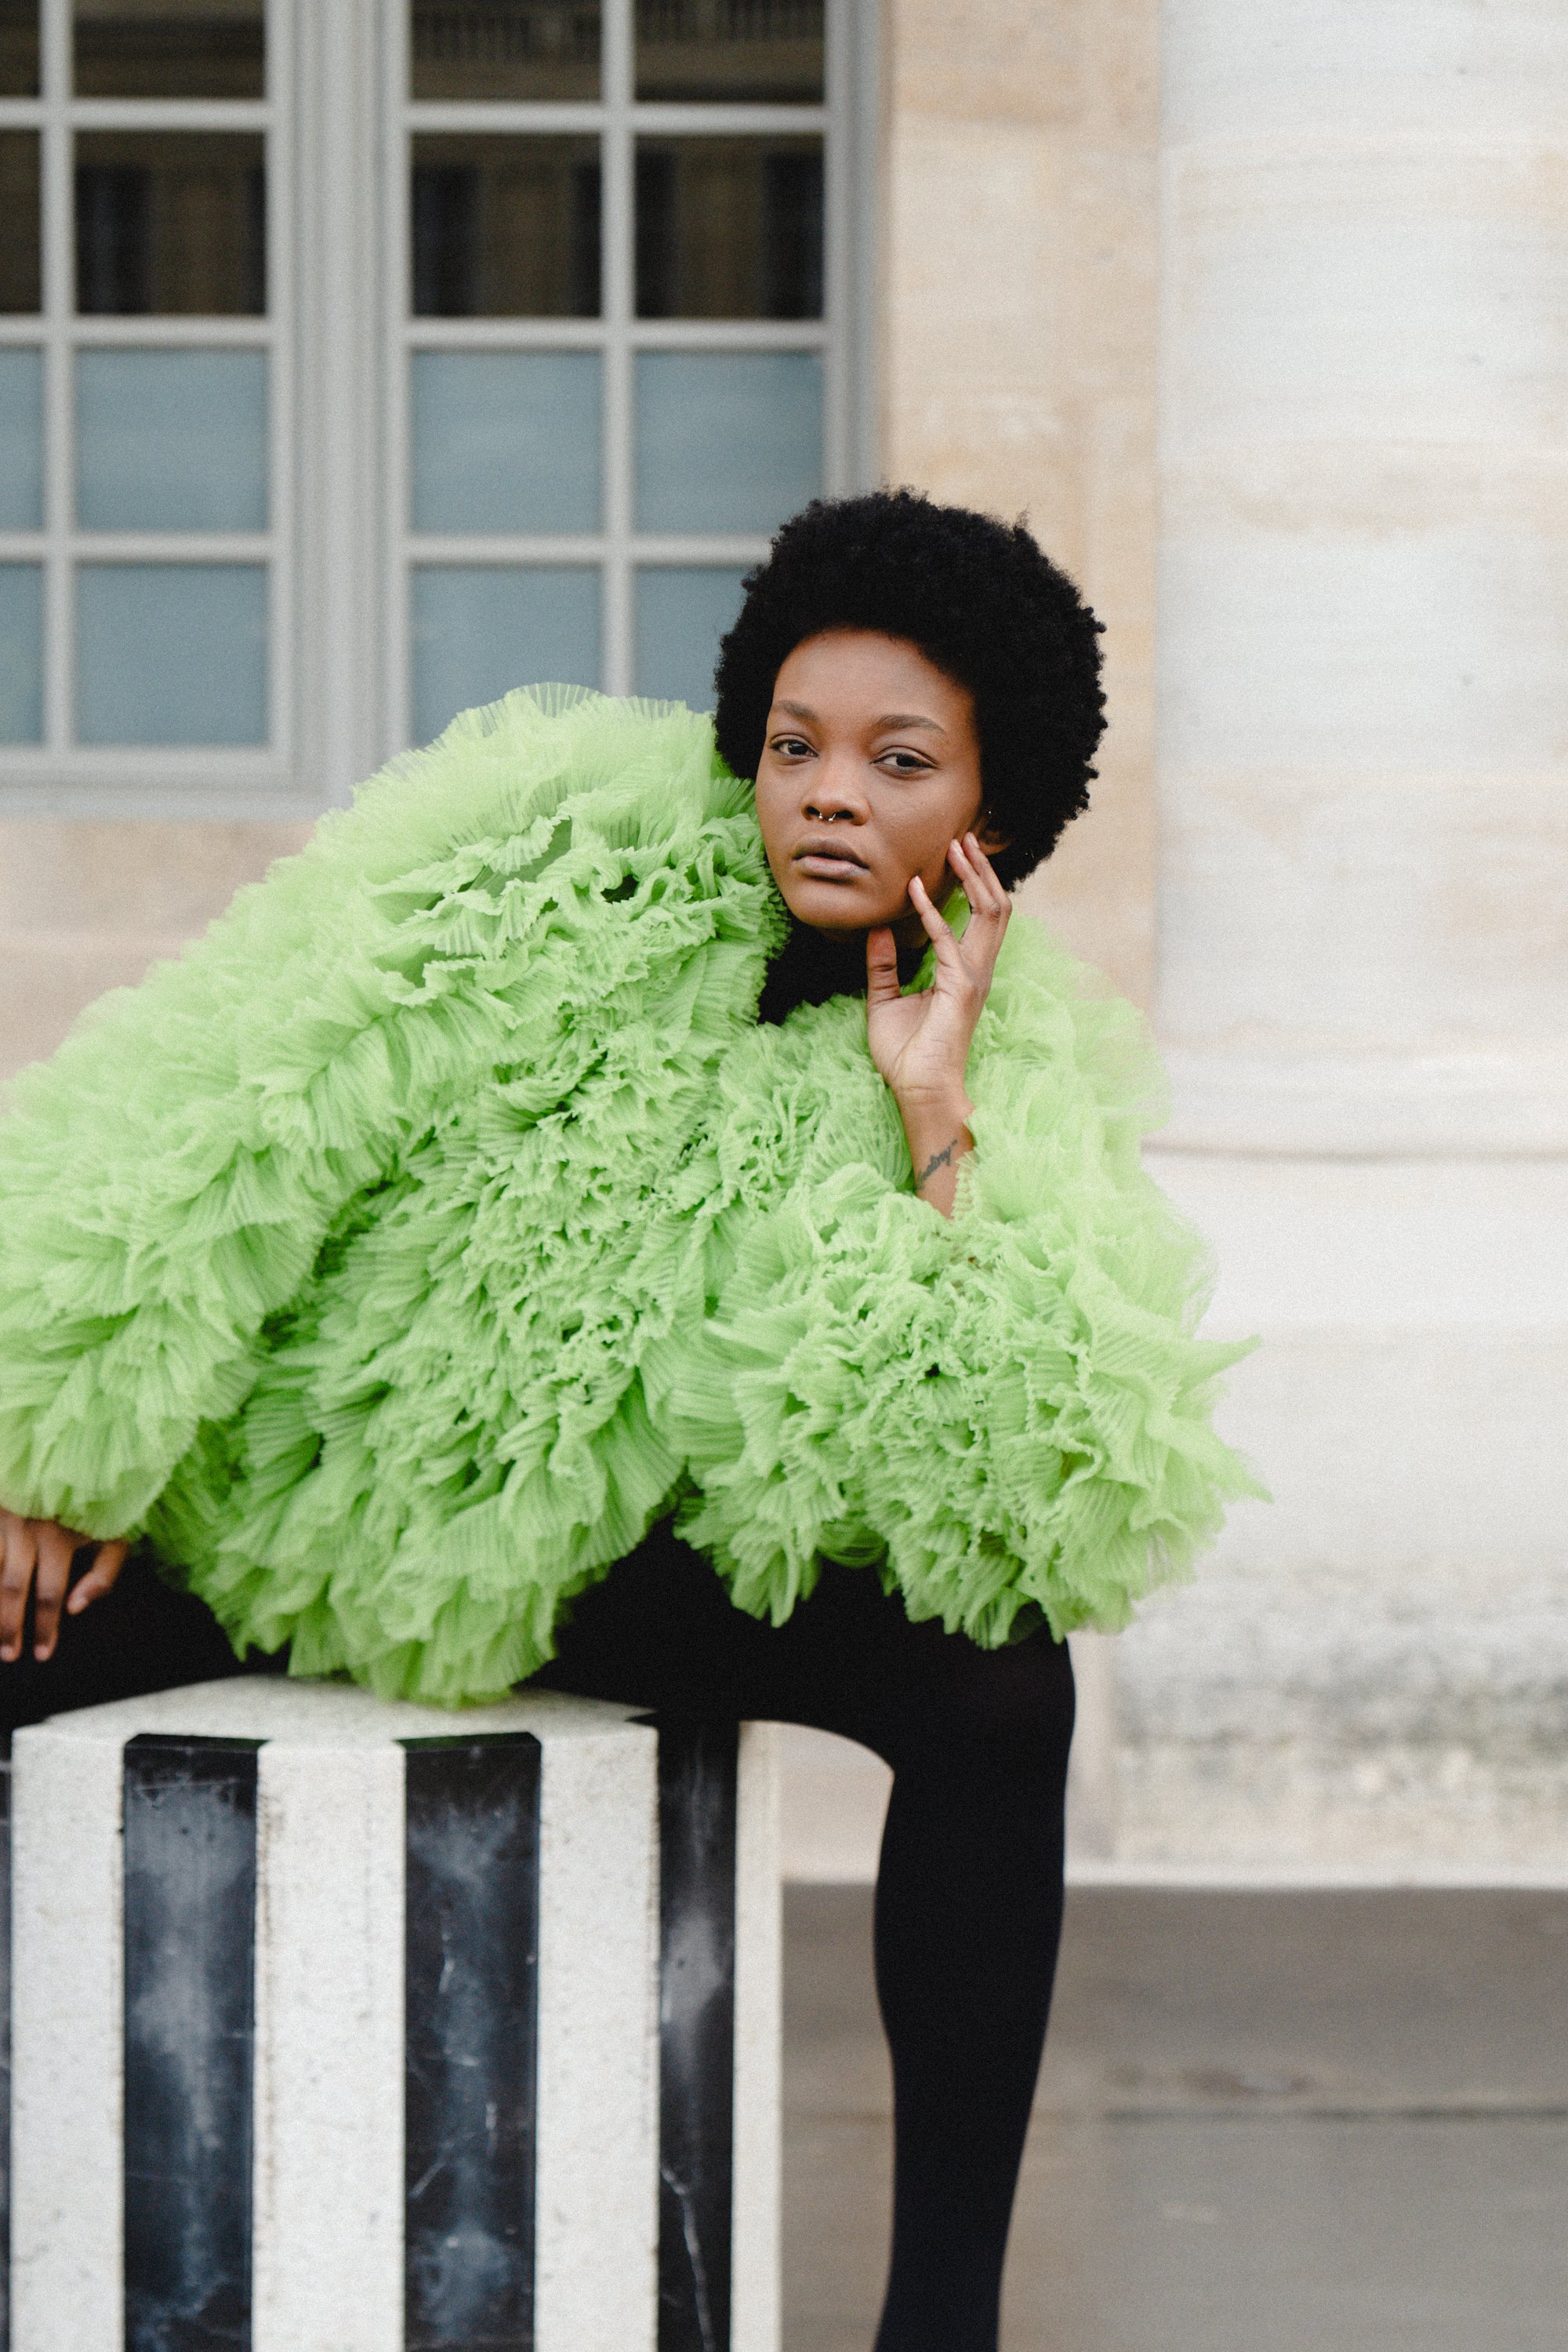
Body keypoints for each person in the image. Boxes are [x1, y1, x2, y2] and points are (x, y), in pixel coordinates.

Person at [0, 489, 1258, 2352]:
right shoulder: (560, 843)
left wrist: (930, 1119)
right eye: (793, 746)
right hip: (297, 1500)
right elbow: (239, 1084)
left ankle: (943, 2327)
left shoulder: (1015, 1050)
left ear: (987, 815)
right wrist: (48, 1430)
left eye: (897, 761)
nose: (828, 794)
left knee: (1002, 1684)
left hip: (600, 1564)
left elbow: (955, 1488)